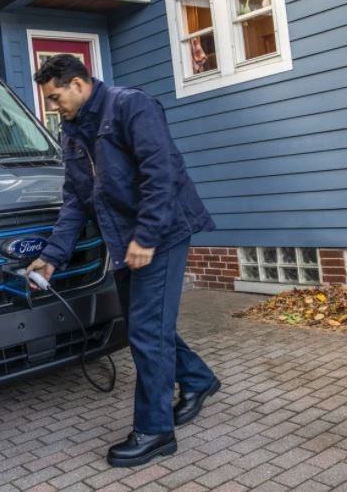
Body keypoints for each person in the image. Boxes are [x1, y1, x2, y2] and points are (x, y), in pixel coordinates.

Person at [26, 54, 220, 467]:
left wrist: (146, 236)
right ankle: (199, 379)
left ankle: (155, 432)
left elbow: (161, 172)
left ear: (78, 84)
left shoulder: (131, 106)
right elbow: (76, 200)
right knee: (142, 328)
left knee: (149, 332)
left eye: (56, 97)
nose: (54, 107)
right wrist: (51, 258)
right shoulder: (74, 132)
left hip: (162, 233)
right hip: (125, 241)